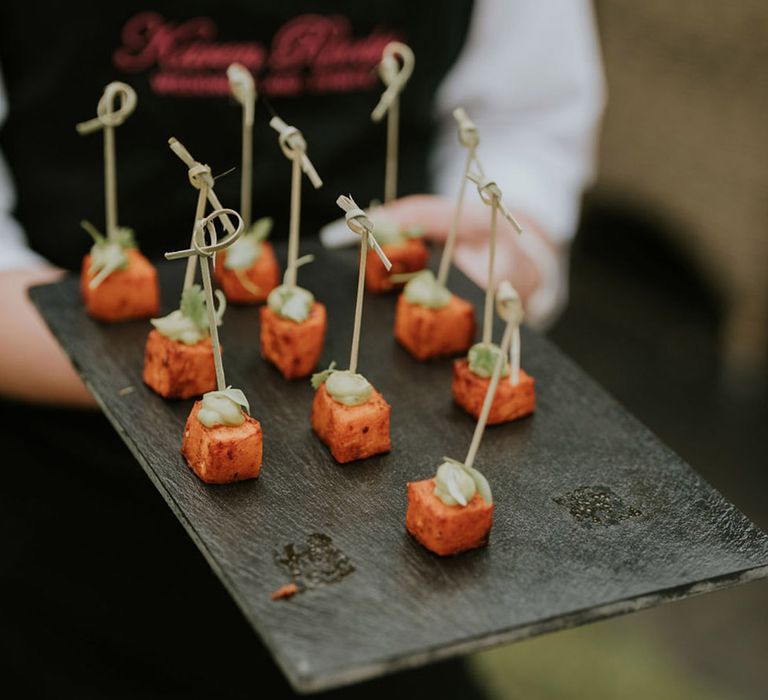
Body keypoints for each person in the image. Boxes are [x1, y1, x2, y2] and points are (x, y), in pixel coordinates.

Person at [0, 1, 603, 697]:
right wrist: (122, 351)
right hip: (63, 498)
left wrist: (503, 248)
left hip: (382, 531)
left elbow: (526, 118)